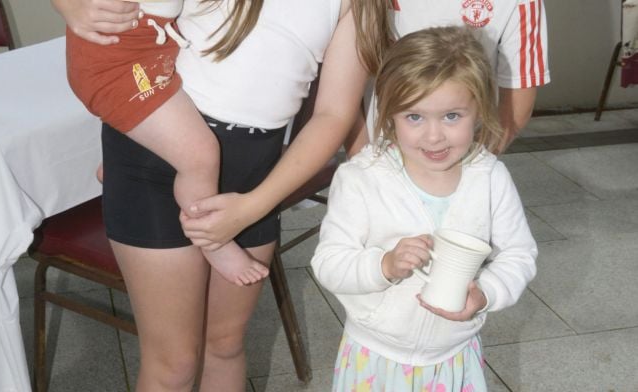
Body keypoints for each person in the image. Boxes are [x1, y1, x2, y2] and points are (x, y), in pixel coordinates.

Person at [52, 0, 370, 390]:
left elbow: (335, 115)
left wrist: (256, 203)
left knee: (225, 345)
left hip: (255, 179)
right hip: (159, 157)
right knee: (175, 363)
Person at [310, 26, 538, 391]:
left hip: (454, 355)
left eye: (451, 116)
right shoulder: (361, 179)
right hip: (376, 355)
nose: (434, 136)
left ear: (478, 110)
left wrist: (487, 293)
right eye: (414, 117)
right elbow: (328, 262)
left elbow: (519, 254)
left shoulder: (490, 177)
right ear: (389, 114)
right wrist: (383, 265)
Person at [65, 0, 270, 286]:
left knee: (174, 128)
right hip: (117, 67)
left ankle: (115, 166)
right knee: (199, 156)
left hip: (147, 53)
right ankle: (212, 241)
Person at [345, 0, 550, 157]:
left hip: (461, 159)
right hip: (379, 157)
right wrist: (363, 158)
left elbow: (517, 102)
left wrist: (475, 163)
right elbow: (343, 88)